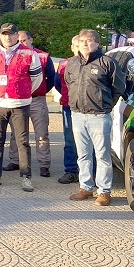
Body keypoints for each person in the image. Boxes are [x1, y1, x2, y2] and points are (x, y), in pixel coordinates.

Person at [65, 29, 126, 206]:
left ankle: (104, 191)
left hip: (99, 116)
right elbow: (69, 84)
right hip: (77, 115)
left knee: (102, 155)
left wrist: (105, 105)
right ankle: (85, 187)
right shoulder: (73, 63)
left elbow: (118, 88)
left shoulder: (107, 63)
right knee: (83, 155)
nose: (85, 43)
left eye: (89, 40)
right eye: (82, 40)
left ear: (97, 43)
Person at [0, 23, 42, 192]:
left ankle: (26, 177)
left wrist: (22, 92)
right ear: (0, 36)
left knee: (22, 141)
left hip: (20, 103)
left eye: (11, 34)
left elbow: (36, 78)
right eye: (4, 34)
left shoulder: (29, 53)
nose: (8, 37)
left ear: (17, 36)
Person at [3, 30, 55, 177]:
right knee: (16, 133)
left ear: (31, 40)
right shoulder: (11, 56)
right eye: (19, 41)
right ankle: (15, 160)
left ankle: (44, 165)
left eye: (25, 40)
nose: (22, 44)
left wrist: (39, 90)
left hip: (37, 100)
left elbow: (51, 79)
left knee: (42, 134)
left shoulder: (43, 56)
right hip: (18, 100)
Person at [56, 35, 80, 184]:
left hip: (90, 108)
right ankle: (71, 171)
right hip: (68, 107)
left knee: (90, 143)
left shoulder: (96, 63)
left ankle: (91, 173)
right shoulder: (64, 64)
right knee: (70, 141)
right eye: (76, 45)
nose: (78, 48)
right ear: (71, 47)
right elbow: (57, 84)